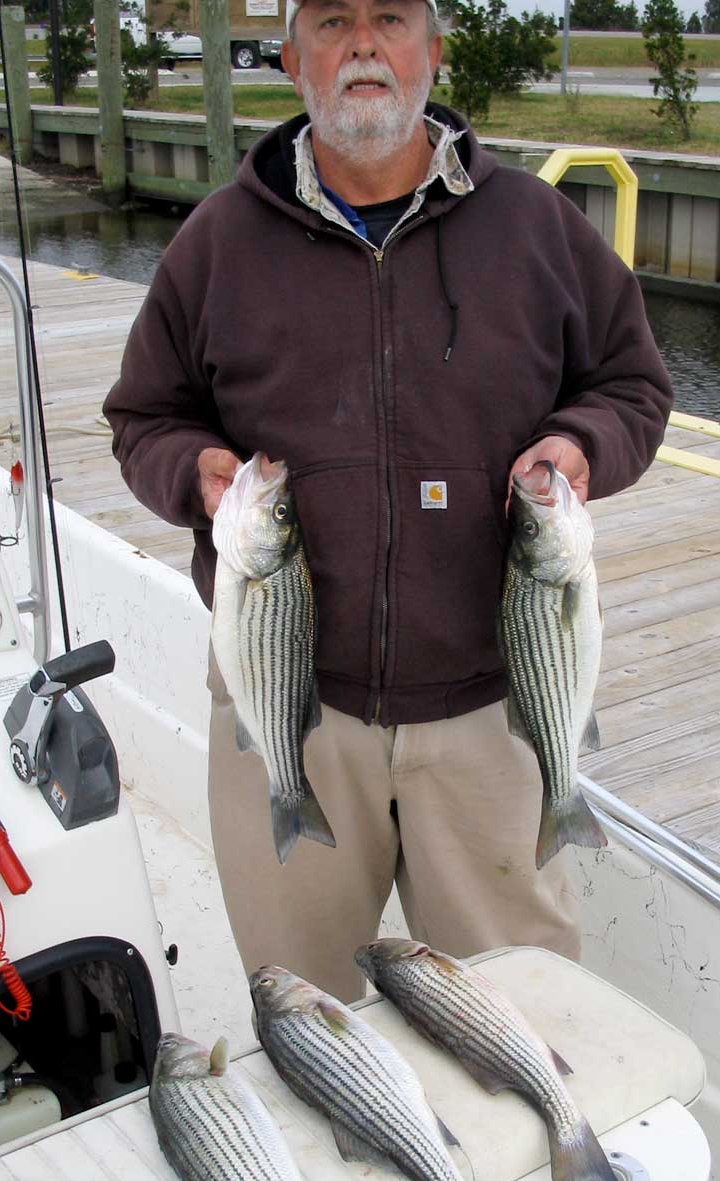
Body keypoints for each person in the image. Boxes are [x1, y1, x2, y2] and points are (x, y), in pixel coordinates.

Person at [103, 0, 672, 1002]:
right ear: (290, 57)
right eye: (330, 21)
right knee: (306, 1016)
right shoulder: (216, 242)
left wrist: (581, 445)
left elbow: (634, 387)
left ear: (432, 50)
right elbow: (144, 414)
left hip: (493, 710)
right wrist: (192, 470)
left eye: (390, 18)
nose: (362, 42)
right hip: (288, 706)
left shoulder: (537, 228)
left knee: (526, 1013)